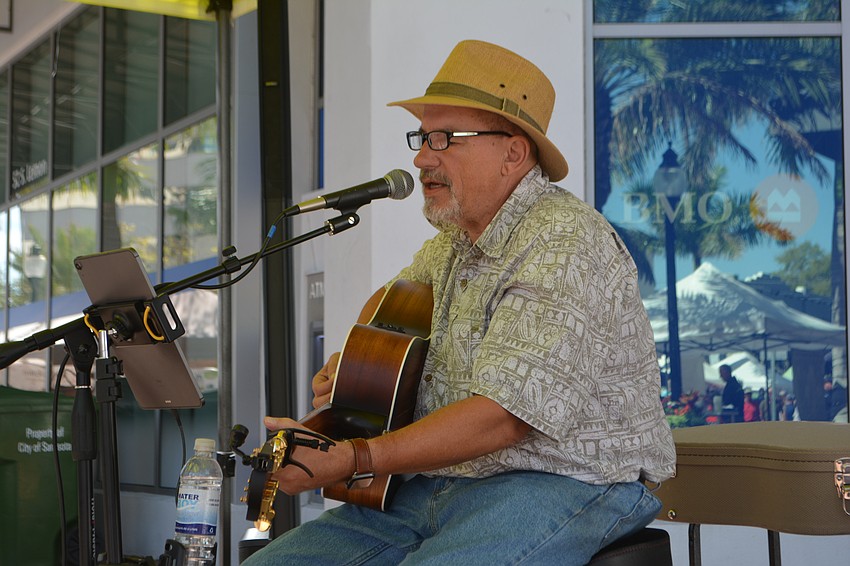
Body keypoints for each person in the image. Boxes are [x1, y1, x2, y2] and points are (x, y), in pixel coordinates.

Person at [244, 40, 676, 566]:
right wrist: (356, 370)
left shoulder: (565, 242)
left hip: (563, 480)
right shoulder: (453, 242)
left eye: (445, 138)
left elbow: (504, 418)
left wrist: (357, 455)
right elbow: (389, 304)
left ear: (513, 152)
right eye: (422, 138)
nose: (422, 157)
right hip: (442, 482)